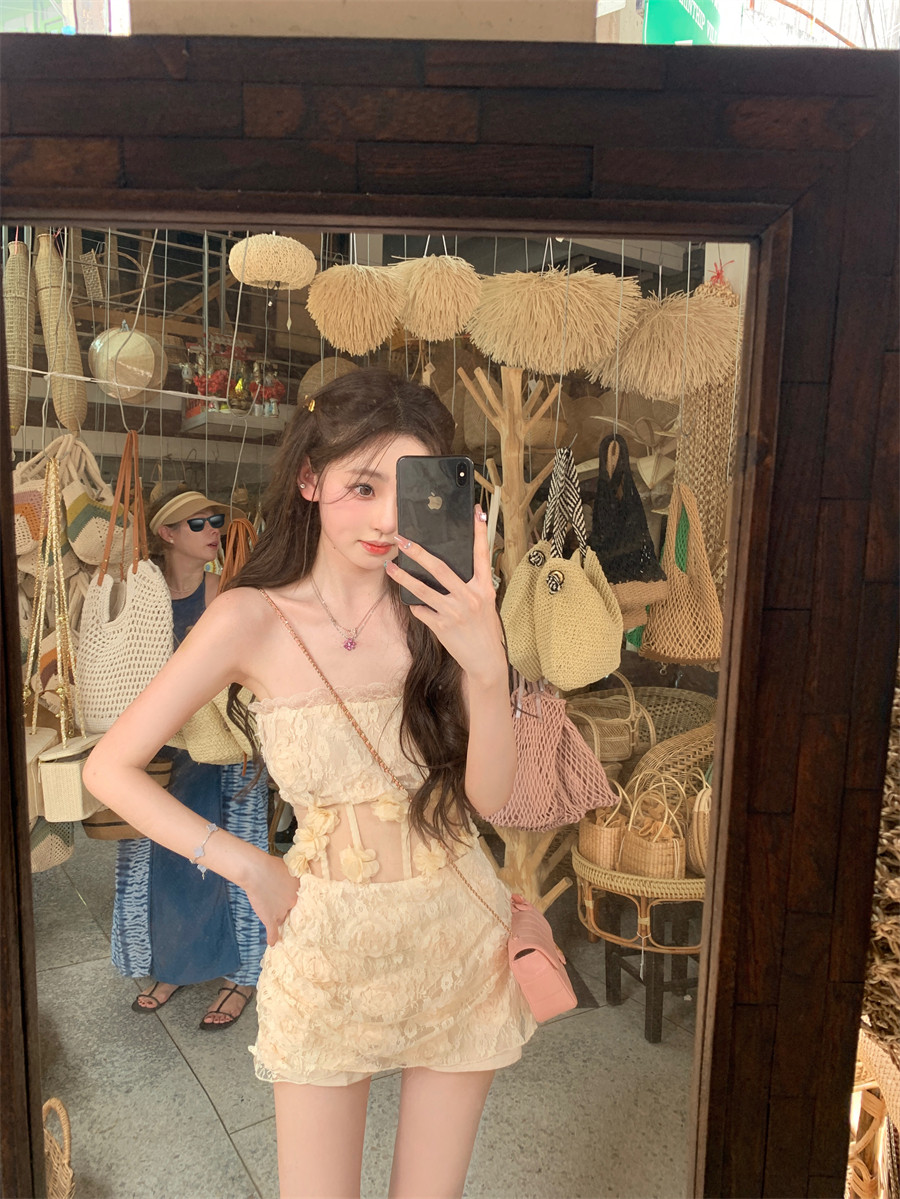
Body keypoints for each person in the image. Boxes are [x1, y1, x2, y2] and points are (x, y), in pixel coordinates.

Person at [84, 369, 536, 1198]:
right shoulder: (249, 618)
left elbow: (491, 800)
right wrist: (248, 864)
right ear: (310, 479)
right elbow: (108, 767)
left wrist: (485, 660)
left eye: (407, 487)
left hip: (457, 937)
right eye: (362, 486)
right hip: (326, 947)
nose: (388, 518)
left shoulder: (448, 610)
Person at [111, 489, 269, 1030]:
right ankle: (172, 963)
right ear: (168, 534)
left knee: (234, 855)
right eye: (197, 523)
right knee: (163, 858)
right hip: (159, 749)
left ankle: (242, 975)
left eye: (216, 520)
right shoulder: (144, 592)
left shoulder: (227, 592)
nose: (213, 529)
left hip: (224, 742)